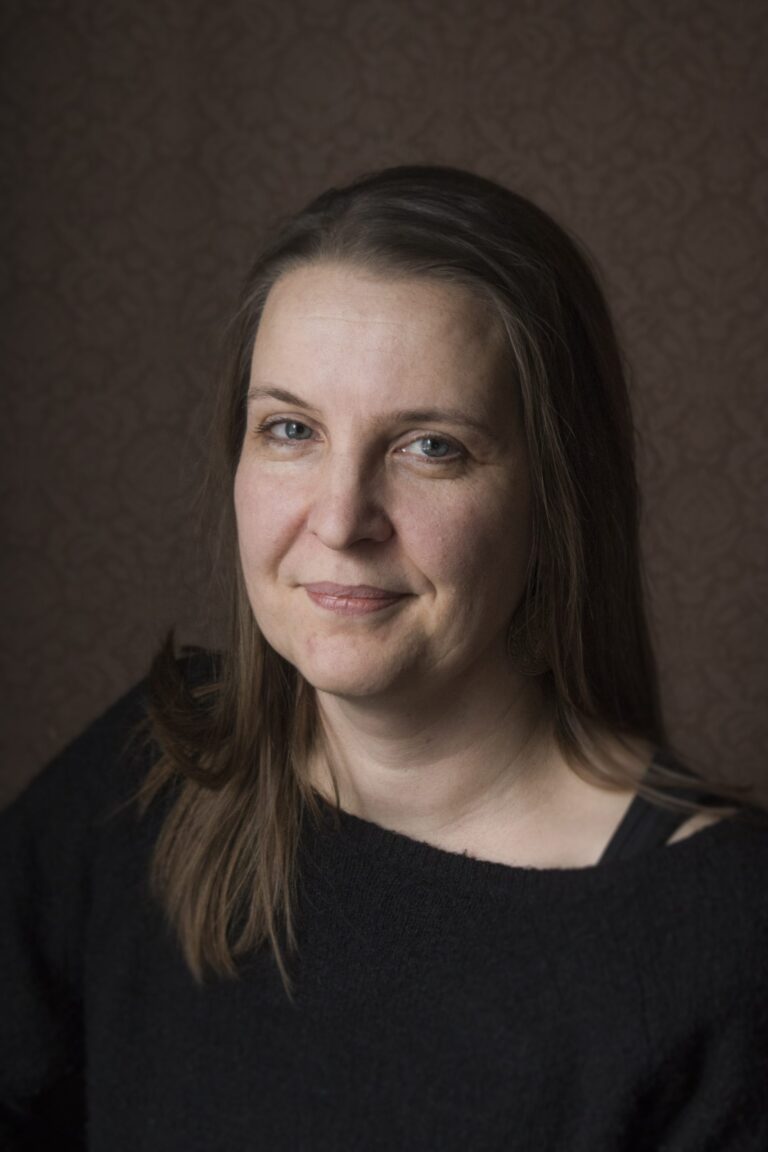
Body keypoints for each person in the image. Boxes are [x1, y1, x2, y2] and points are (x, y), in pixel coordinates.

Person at [2, 165, 767, 1151]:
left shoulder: (721, 935)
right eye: (291, 430)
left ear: (557, 499)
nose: (339, 519)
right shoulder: (154, 769)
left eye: (429, 447)